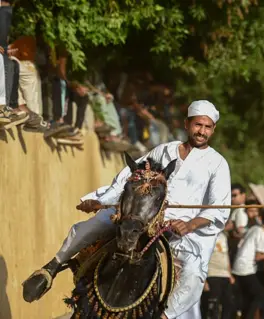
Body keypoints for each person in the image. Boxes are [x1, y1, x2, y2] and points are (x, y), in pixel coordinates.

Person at [23, 100, 231, 319]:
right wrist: (100, 200)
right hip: (143, 214)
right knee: (92, 226)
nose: (202, 131)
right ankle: (51, 268)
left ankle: (165, 316)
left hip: (179, 230)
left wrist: (189, 225)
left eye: (208, 127)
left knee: (193, 274)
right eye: (198, 125)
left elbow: (218, 209)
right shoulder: (165, 150)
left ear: (213, 129)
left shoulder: (217, 163)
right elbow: (129, 177)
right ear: (187, 124)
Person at [232, 209, 264, 319]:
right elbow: (258, 256)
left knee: (249, 298)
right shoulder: (262, 233)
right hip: (245, 268)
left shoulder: (255, 228)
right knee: (259, 295)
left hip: (238, 266)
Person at [203, 222, 235, 319]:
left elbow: (226, 256)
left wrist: (230, 274)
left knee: (228, 303)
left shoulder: (223, 236)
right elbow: (203, 259)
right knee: (214, 304)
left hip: (225, 274)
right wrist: (204, 280)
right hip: (212, 274)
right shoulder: (206, 237)